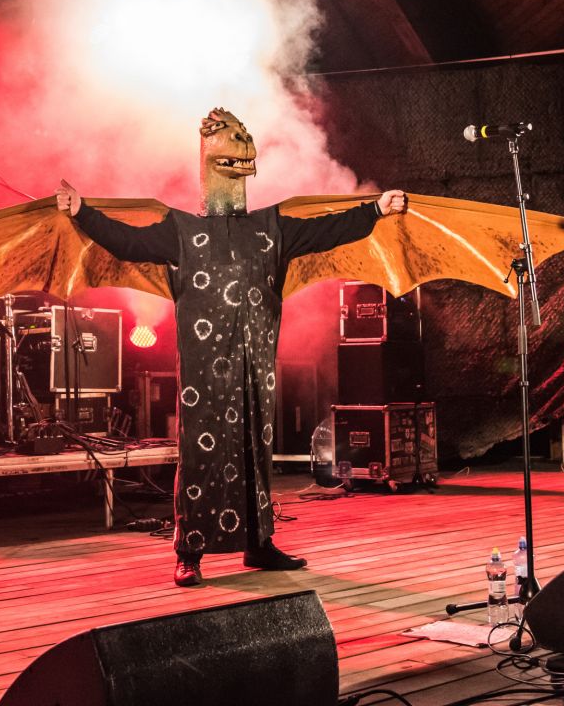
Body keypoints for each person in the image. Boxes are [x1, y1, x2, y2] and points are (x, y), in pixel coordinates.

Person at [57, 108, 407, 586]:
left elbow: (326, 231)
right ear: (208, 153)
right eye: (232, 136)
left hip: (254, 364)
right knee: (201, 453)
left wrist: (374, 210)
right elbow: (128, 243)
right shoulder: (181, 231)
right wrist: (82, 212)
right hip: (204, 370)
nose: (243, 143)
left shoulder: (271, 228)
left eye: (244, 134)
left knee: (255, 449)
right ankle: (189, 551)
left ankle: (258, 543)